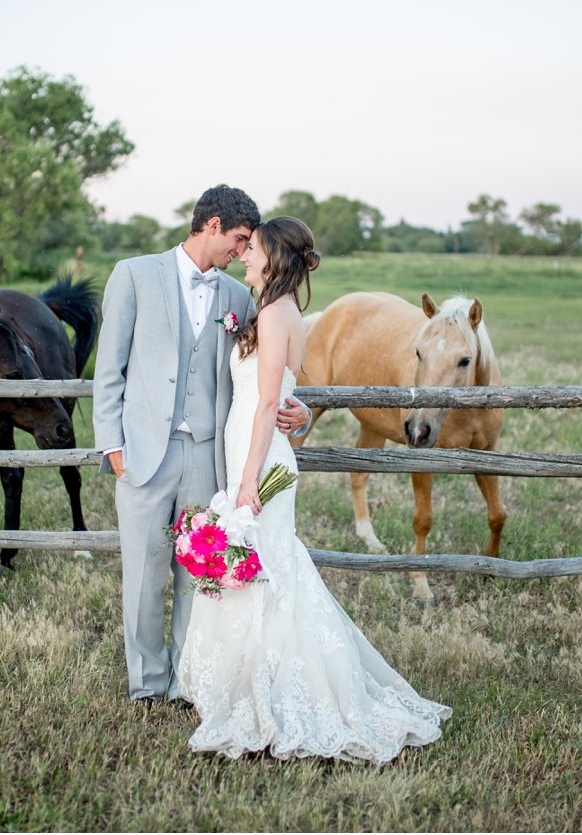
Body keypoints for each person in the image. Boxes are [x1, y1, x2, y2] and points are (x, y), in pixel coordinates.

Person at [177, 217, 451, 763]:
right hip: (249, 448)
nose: (245, 255)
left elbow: (264, 404)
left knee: (269, 569)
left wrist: (249, 479)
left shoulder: (278, 316)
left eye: (251, 249)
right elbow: (284, 397)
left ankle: (272, 689)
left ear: (274, 259)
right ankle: (245, 679)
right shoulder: (273, 312)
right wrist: (294, 415)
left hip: (258, 457)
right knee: (265, 566)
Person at [93, 185, 311, 706]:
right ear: (211, 224)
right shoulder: (133, 275)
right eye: (238, 240)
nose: (241, 253)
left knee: (200, 575)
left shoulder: (240, 299)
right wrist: (111, 444)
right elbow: (109, 369)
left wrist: (299, 414)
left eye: (247, 247)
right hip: (143, 452)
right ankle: (146, 685)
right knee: (143, 578)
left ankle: (186, 683)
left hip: (209, 457)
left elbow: (273, 381)